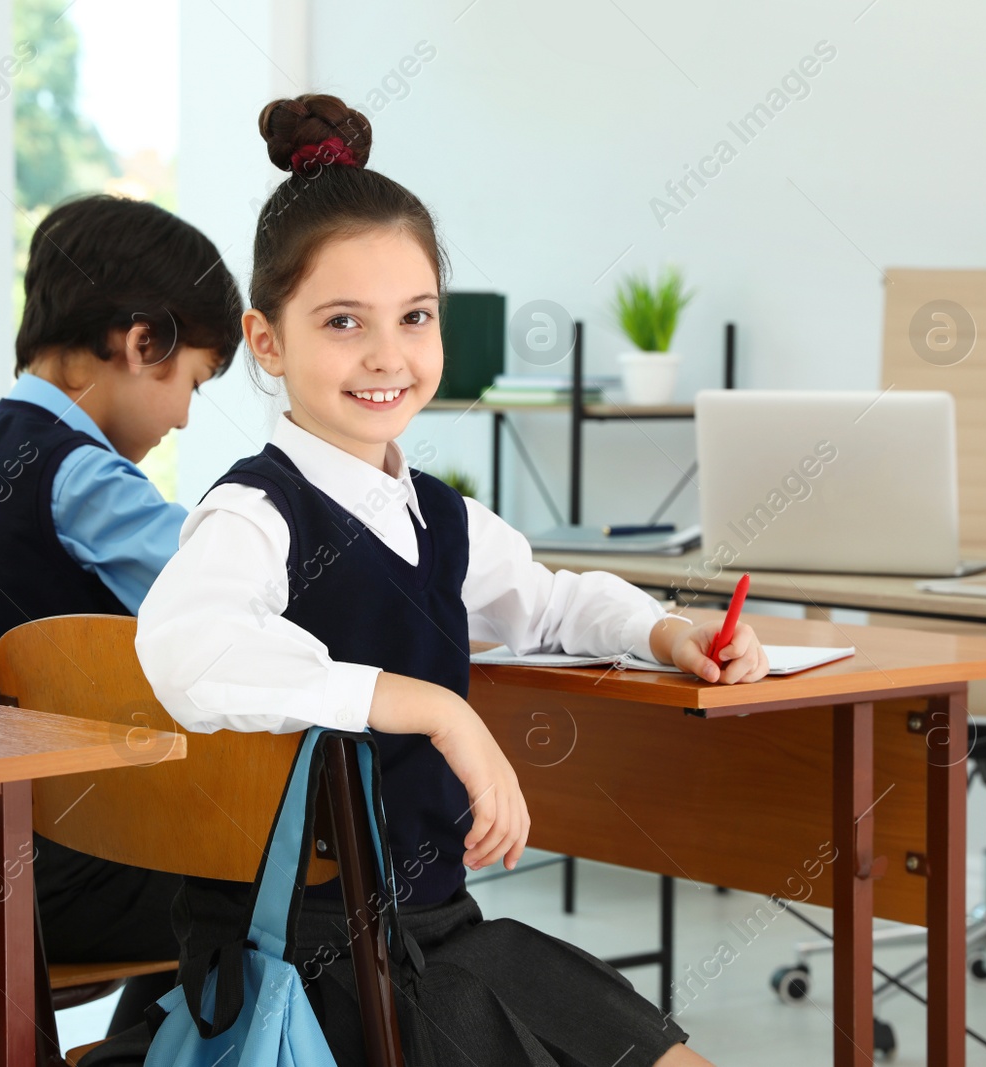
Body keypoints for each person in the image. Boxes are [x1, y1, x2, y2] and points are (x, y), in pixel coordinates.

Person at [126, 95, 770, 1066]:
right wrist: (429, 705)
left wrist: (663, 631)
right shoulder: (255, 511)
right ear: (266, 341)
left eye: (414, 317)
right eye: (343, 321)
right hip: (310, 959)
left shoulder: (436, 513)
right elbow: (186, 648)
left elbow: (547, 601)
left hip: (431, 933)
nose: (388, 354)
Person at [0, 193, 243, 1033]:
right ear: (143, 343)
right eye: (193, 383)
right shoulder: (84, 481)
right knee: (286, 875)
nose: (180, 417)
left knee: (227, 869)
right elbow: (234, 591)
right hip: (55, 870)